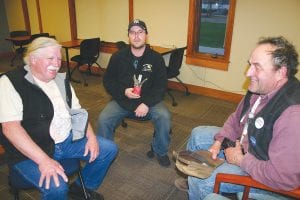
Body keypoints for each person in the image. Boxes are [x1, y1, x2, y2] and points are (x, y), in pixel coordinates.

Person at [175, 36, 300, 199]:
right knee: (198, 134)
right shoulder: (260, 87)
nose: (248, 73)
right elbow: (236, 118)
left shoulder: (293, 116)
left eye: (257, 67)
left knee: (202, 181)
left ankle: (198, 185)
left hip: (264, 171)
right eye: (250, 64)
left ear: (281, 72)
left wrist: (241, 161)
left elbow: (282, 178)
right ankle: (192, 183)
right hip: (246, 145)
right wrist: (219, 140)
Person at [0, 37, 118, 200]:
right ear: (33, 59)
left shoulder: (60, 80)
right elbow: (11, 129)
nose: (57, 63)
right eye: (50, 58)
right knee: (56, 187)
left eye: (58, 58)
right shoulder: (10, 82)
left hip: (66, 141)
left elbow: (77, 112)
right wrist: (43, 160)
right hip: (33, 150)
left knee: (108, 149)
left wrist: (90, 137)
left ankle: (78, 190)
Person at [97, 19, 171, 167]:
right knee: (103, 119)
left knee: (164, 117)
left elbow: (161, 85)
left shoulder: (156, 58)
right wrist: (123, 91)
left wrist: (146, 103)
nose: (136, 36)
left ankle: (160, 151)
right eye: (132, 32)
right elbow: (108, 81)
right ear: (128, 36)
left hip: (149, 101)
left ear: (146, 35)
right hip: (123, 100)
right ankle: (105, 154)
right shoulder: (118, 57)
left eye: (140, 32)